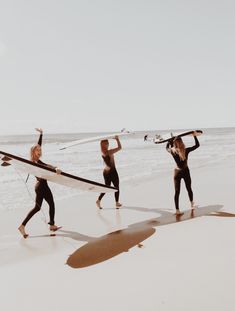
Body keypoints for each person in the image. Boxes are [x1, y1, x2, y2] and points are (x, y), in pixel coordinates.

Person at [18, 128, 61, 238]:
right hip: (42, 186)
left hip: (40, 186)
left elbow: (39, 146)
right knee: (51, 203)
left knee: (37, 208)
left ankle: (22, 226)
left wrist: (41, 134)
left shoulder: (35, 160)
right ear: (33, 152)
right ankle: (51, 224)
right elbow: (45, 166)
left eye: (40, 150)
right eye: (38, 150)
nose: (40, 151)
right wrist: (55, 168)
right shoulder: (35, 162)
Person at [166, 132, 200, 215]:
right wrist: (194, 136)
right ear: (182, 142)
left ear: (175, 143)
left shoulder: (172, 151)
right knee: (189, 188)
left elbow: (167, 148)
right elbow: (197, 145)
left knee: (177, 192)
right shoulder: (186, 150)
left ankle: (177, 210)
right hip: (185, 171)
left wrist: (169, 141)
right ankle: (192, 205)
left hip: (177, 172)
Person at [96, 136, 122, 209]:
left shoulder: (103, 152)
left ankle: (98, 200)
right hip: (112, 171)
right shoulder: (108, 152)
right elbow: (120, 147)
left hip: (106, 172)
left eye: (108, 143)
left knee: (107, 187)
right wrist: (117, 139)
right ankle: (116, 203)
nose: (108, 144)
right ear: (103, 144)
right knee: (116, 187)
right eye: (107, 143)